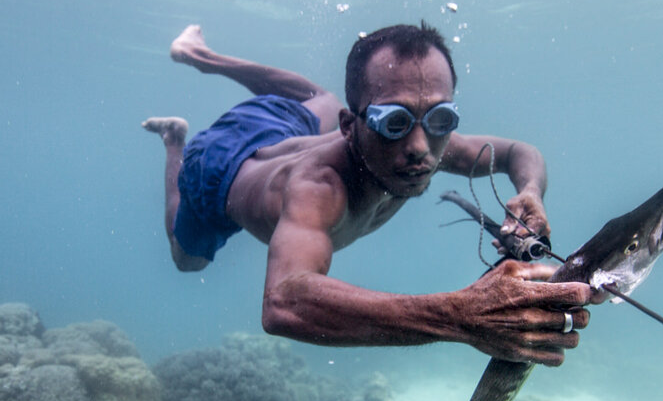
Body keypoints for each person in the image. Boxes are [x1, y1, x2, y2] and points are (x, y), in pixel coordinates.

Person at [143, 24, 591, 367]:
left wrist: (530, 191)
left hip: (281, 123)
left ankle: (202, 56)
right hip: (217, 167)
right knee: (188, 259)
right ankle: (173, 139)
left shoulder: (425, 143)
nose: (419, 147)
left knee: (317, 97)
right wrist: (461, 315)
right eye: (393, 121)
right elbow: (283, 302)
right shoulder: (320, 189)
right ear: (350, 127)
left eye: (439, 119)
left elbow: (517, 153)